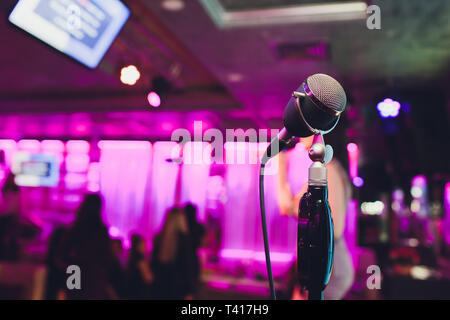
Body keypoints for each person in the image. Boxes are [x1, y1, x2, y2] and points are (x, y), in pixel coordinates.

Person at [277, 135, 354, 300]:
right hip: (329, 260)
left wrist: (280, 162)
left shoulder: (326, 172)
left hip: (326, 261)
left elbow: (286, 207)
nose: (300, 135)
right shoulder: (330, 169)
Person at [57, 194, 118, 299]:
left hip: (75, 272)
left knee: (74, 296)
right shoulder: (101, 231)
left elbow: (62, 255)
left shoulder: (75, 228)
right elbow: (107, 258)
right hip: (95, 277)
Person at [151, 207, 195, 299]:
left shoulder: (159, 238)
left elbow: (153, 263)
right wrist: (189, 290)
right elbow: (187, 266)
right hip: (177, 287)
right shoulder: (183, 239)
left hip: (160, 285)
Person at [0, 172, 21, 261]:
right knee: (7, 236)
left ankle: (8, 255)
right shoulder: (10, 189)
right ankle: (8, 255)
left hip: (8, 215)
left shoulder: (8, 188)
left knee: (9, 236)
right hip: (7, 215)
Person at [184, 203, 205, 287]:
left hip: (183, 257)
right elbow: (203, 244)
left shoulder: (183, 226)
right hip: (193, 258)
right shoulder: (199, 227)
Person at [126, 234, 153, 299]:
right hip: (141, 293)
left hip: (133, 293)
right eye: (143, 244)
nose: (145, 247)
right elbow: (148, 278)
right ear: (138, 246)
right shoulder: (140, 259)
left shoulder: (132, 259)